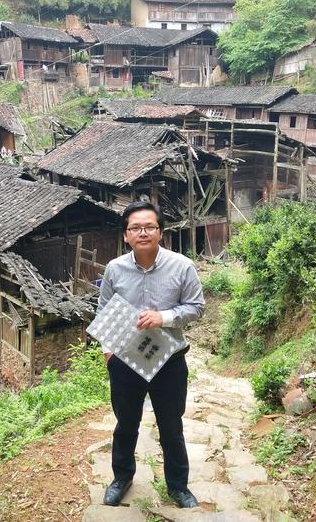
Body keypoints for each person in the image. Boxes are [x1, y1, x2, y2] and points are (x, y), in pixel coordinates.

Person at [96, 201, 205, 508]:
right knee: (125, 423)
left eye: (149, 227)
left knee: (171, 426)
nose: (142, 232)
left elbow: (197, 307)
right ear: (126, 236)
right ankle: (122, 478)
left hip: (169, 361)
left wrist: (164, 318)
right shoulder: (115, 269)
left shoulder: (182, 266)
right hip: (126, 360)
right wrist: (109, 352)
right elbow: (104, 310)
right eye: (135, 228)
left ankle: (178, 487)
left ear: (160, 232)